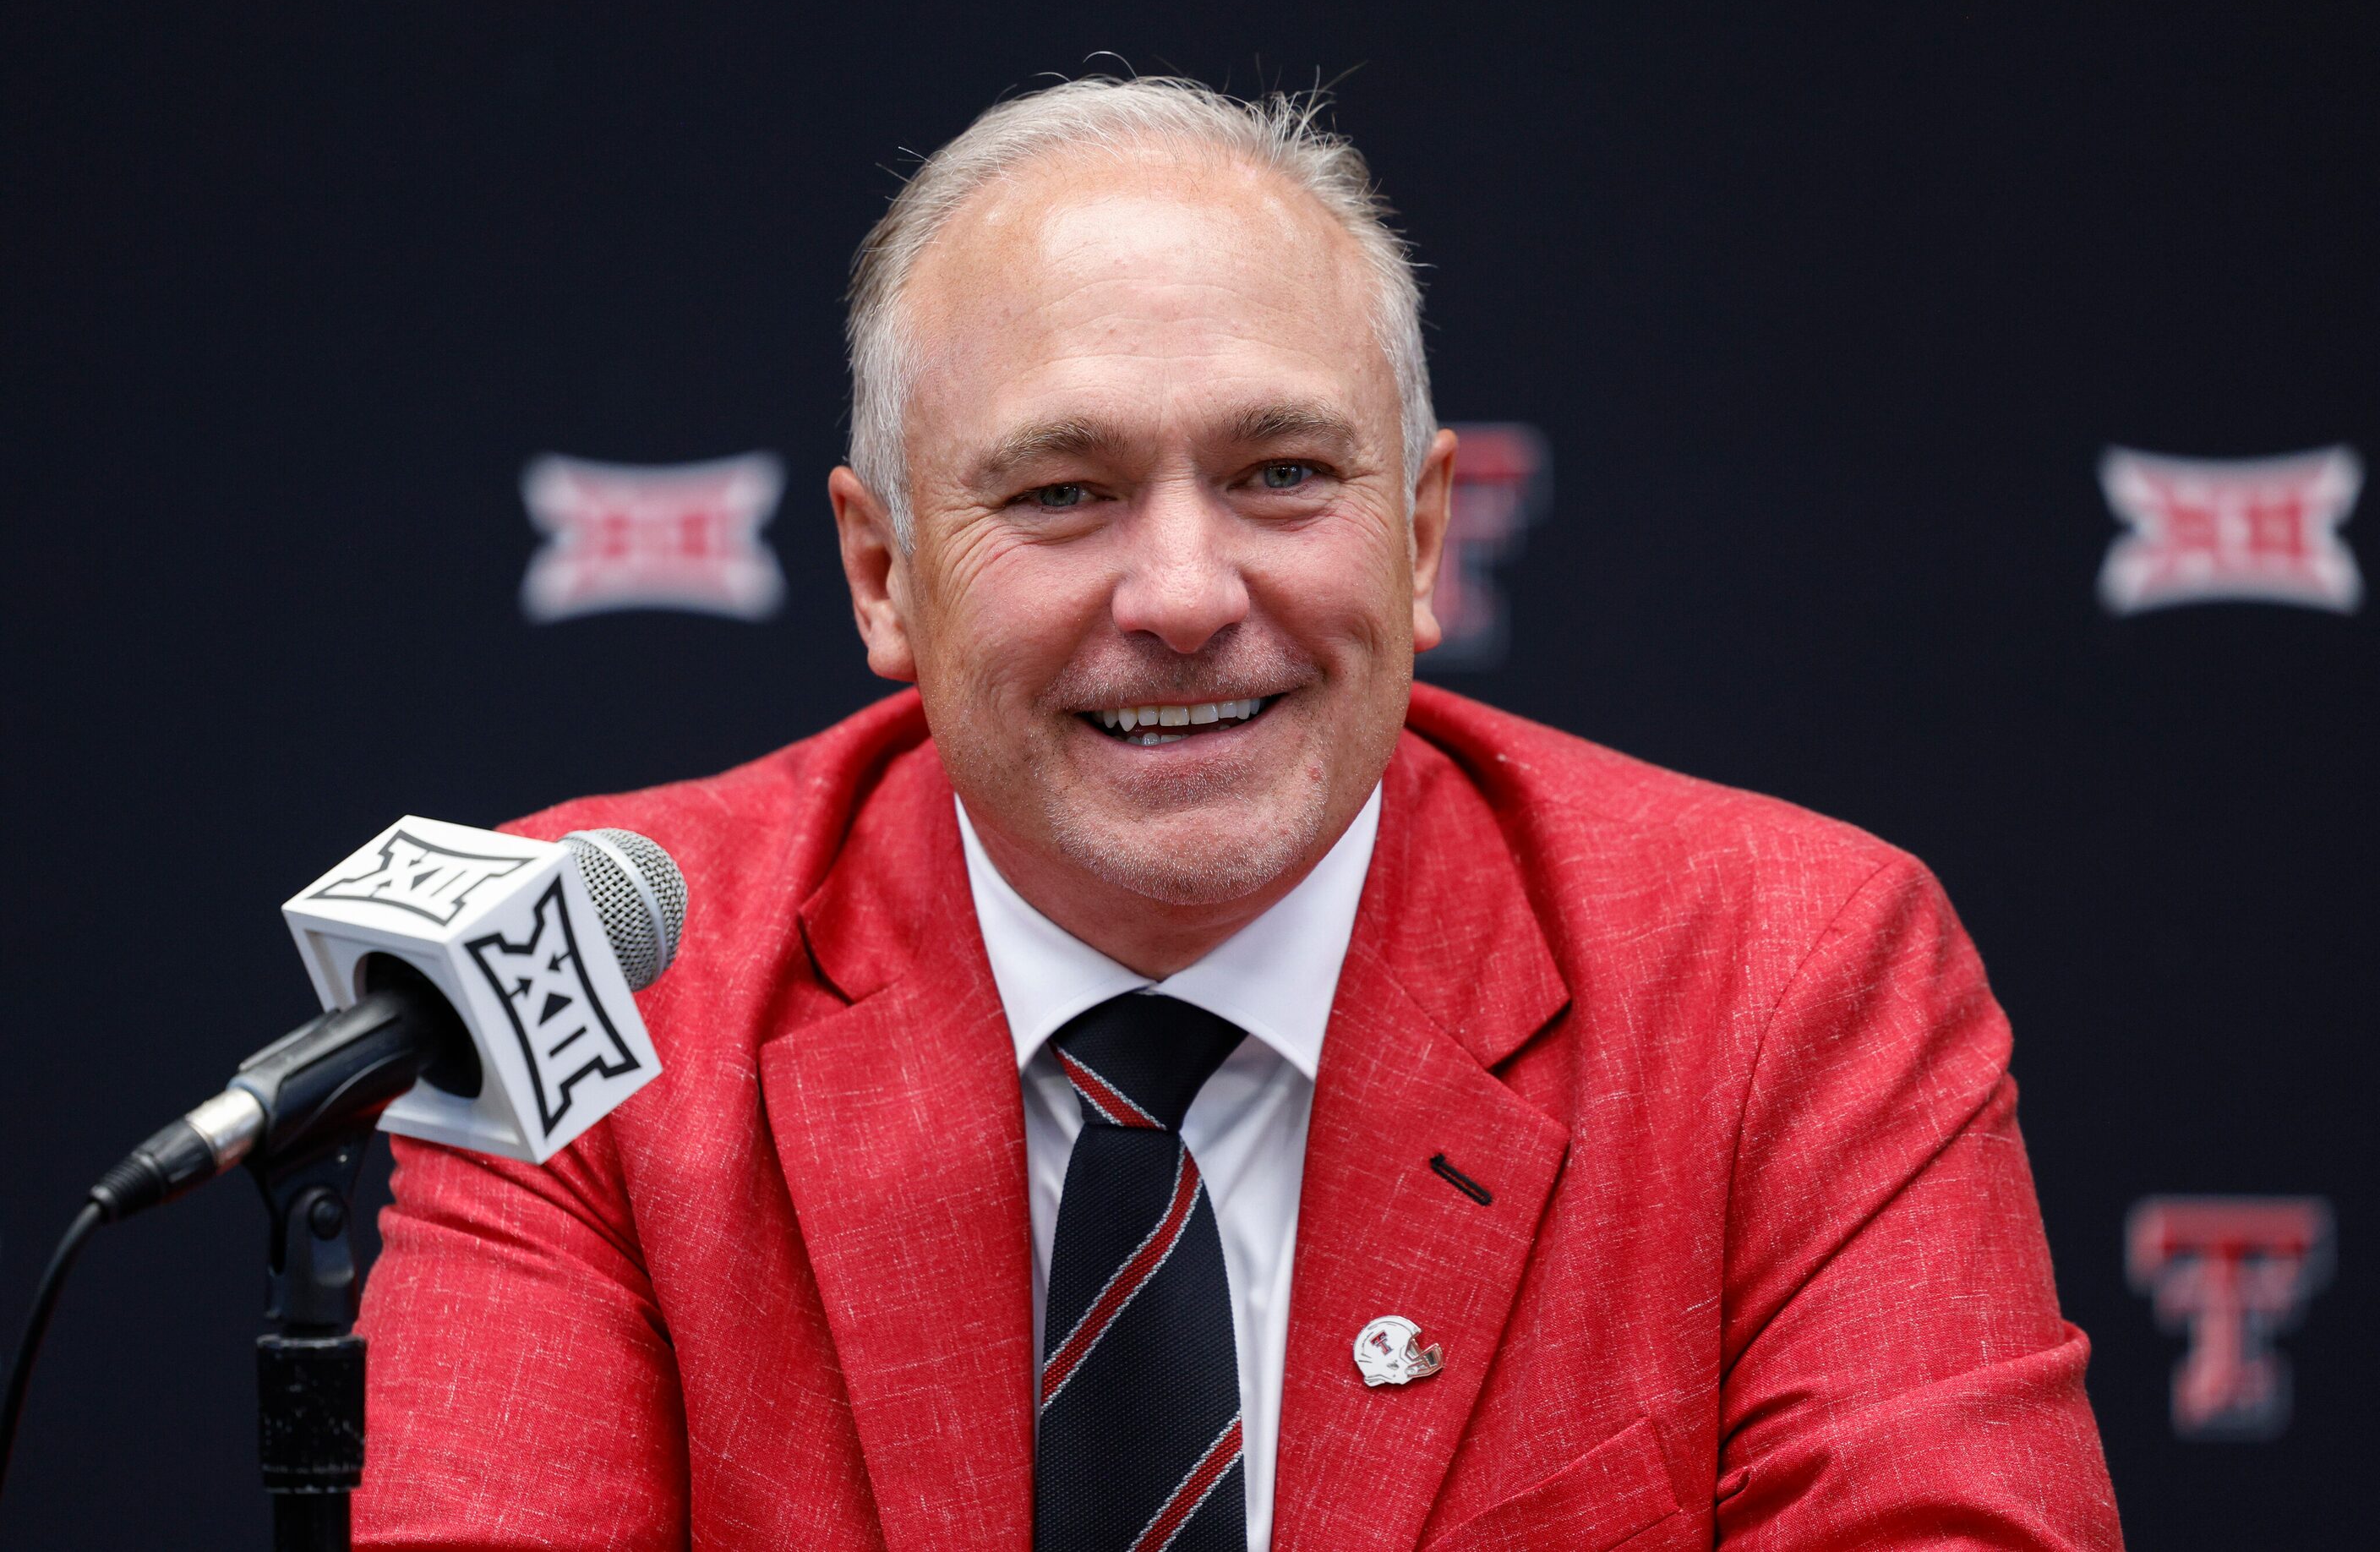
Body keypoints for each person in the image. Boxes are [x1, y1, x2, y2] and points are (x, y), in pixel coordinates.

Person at [355, 77, 2122, 1551]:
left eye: (1282, 476)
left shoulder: (1786, 971)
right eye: (1065, 492)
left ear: (1424, 539)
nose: (1188, 593)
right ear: (885, 576)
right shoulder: (585, 974)